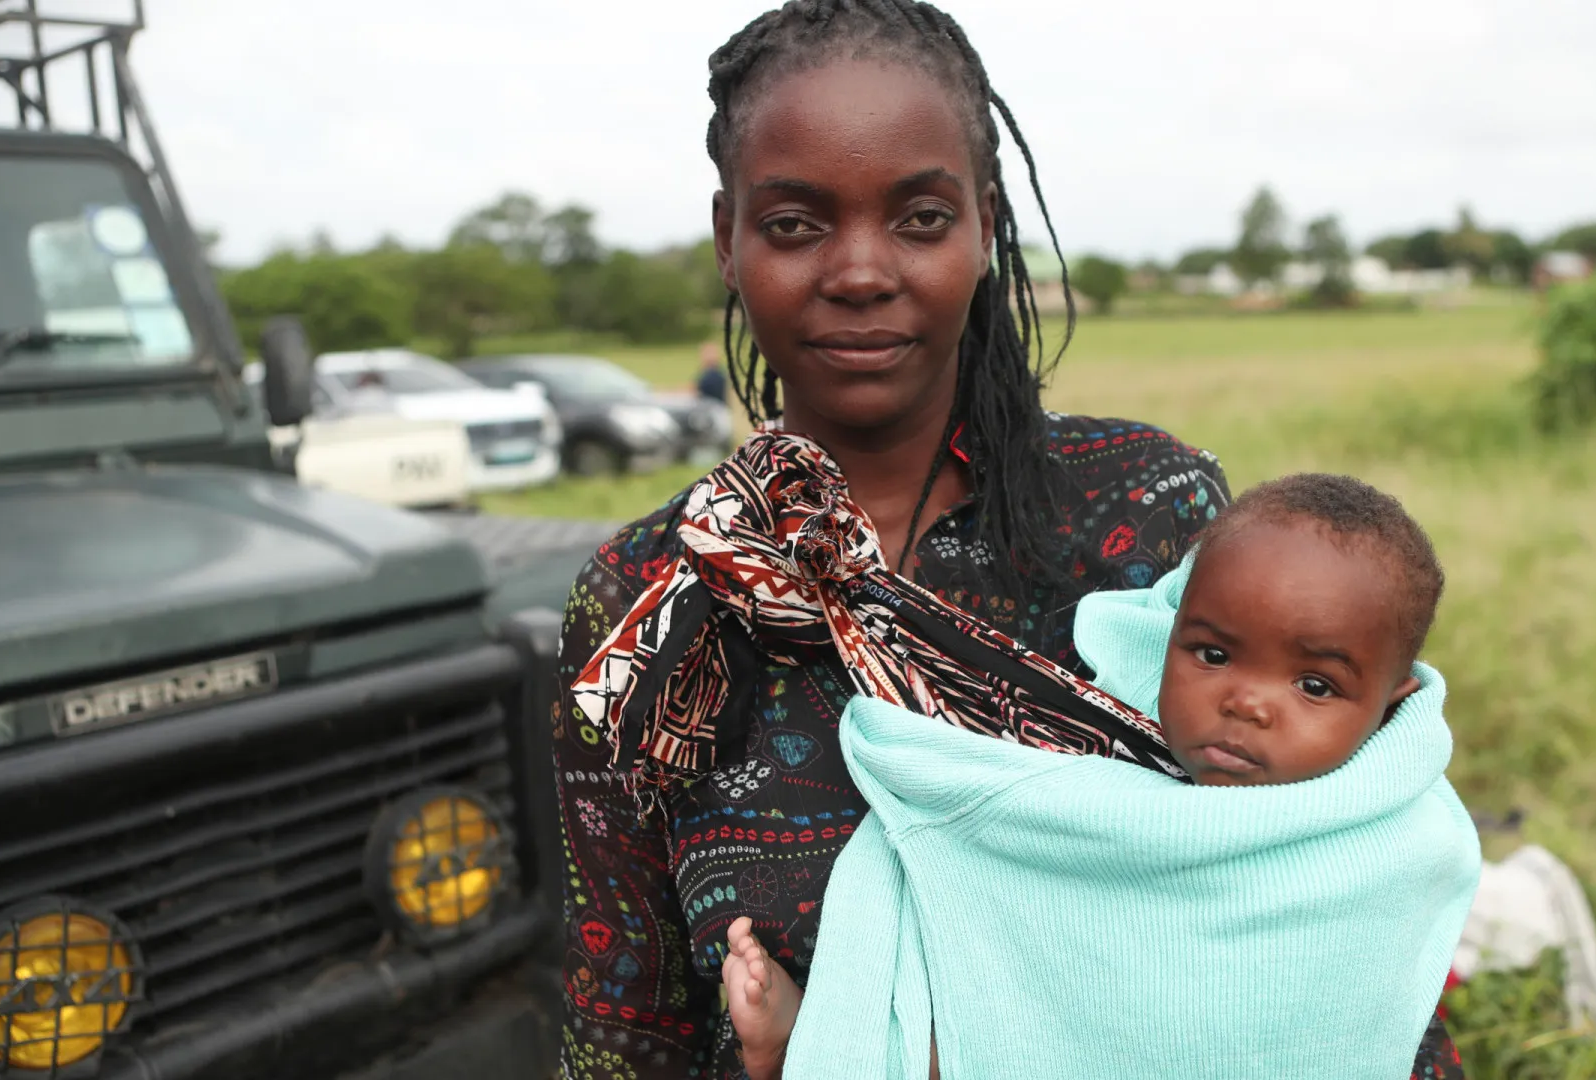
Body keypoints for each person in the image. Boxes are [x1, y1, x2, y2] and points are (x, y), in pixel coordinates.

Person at [551, 3, 1467, 1078]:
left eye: (920, 218)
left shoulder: (1148, 515)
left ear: (985, 225)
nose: (858, 271)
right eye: (796, 223)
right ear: (728, 239)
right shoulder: (641, 604)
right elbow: (624, 1021)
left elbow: (1328, 902)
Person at [718, 473, 1481, 1078]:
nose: (1245, 702)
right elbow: (1019, 834)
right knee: (981, 1022)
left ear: (1390, 705)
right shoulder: (1094, 759)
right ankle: (818, 1047)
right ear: (1170, 635)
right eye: (1212, 655)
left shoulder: (1403, 837)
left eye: (1315, 686)